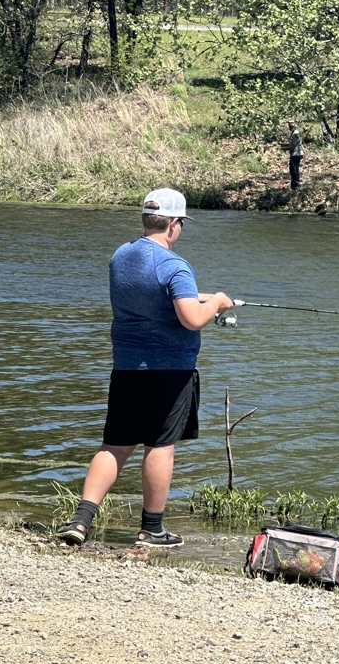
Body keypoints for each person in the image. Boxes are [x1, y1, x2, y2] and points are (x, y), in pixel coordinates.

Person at [57, 188, 233, 548]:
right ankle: (152, 529)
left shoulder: (121, 256)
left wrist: (198, 296)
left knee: (115, 446)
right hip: (168, 372)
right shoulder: (175, 265)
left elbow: (147, 297)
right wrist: (215, 301)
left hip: (126, 368)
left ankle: (80, 519)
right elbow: (190, 320)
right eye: (181, 223)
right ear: (172, 224)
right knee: (160, 446)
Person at [287, 121, 304, 189]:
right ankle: (295, 184)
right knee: (295, 169)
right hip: (297, 153)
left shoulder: (295, 134)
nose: (289, 127)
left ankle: (295, 185)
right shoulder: (295, 133)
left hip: (295, 153)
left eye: (290, 125)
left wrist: (290, 151)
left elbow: (293, 145)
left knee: (293, 170)